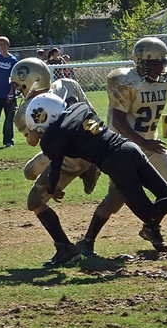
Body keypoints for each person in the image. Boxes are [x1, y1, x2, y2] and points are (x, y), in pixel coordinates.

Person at [24, 94, 167, 266]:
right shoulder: (78, 107)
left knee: (149, 215)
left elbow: (55, 167)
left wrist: (52, 188)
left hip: (116, 162)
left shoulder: (53, 136)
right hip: (129, 147)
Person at [76, 37, 167, 256]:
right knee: (115, 199)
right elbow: (118, 121)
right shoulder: (125, 81)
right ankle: (88, 239)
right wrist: (143, 142)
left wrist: (148, 142)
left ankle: (151, 227)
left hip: (151, 143)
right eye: (156, 63)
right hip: (123, 148)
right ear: (142, 62)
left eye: (163, 62)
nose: (162, 67)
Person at [10, 57, 101, 267]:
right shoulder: (69, 84)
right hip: (90, 146)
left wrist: (54, 181)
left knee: (35, 201)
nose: (16, 89)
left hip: (67, 156)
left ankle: (64, 248)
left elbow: (34, 142)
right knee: (29, 171)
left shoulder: (24, 112)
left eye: (19, 84)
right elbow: (92, 116)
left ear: (31, 81)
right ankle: (90, 168)